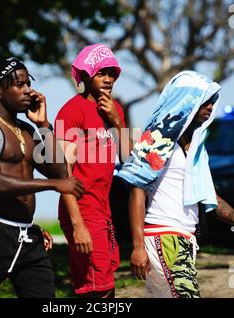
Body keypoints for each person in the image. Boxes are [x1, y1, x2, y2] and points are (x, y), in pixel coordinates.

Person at [117, 71, 234, 298]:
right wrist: (137, 247)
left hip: (183, 239)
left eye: (212, 102)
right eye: (205, 101)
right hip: (164, 237)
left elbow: (206, 195)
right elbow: (137, 190)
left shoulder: (194, 147)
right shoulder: (158, 138)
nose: (211, 108)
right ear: (187, 100)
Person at [0, 57, 84, 298]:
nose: (29, 90)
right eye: (19, 85)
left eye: (28, 84)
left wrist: (44, 125)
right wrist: (53, 185)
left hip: (28, 236)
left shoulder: (27, 131)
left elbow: (58, 171)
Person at [54, 44, 132, 298]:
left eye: (112, 73)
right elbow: (62, 174)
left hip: (103, 208)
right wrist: (77, 224)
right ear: (87, 76)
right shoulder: (71, 112)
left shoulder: (114, 110)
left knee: (104, 280)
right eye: (101, 73)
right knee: (97, 287)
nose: (108, 79)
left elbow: (129, 158)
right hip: (82, 208)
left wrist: (118, 122)